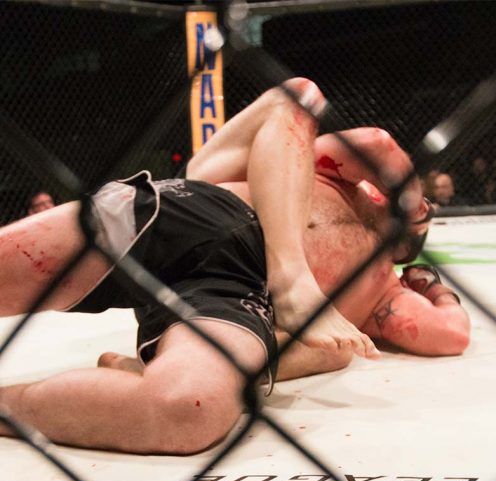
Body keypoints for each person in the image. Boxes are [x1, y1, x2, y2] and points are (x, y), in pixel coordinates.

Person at [0, 78, 470, 454]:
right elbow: (376, 142)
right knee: (300, 96)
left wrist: (430, 283)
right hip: (203, 210)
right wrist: (412, 201)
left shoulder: (385, 289)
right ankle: (290, 274)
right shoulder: (335, 177)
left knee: (191, 408)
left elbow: (449, 334)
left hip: (234, 297)